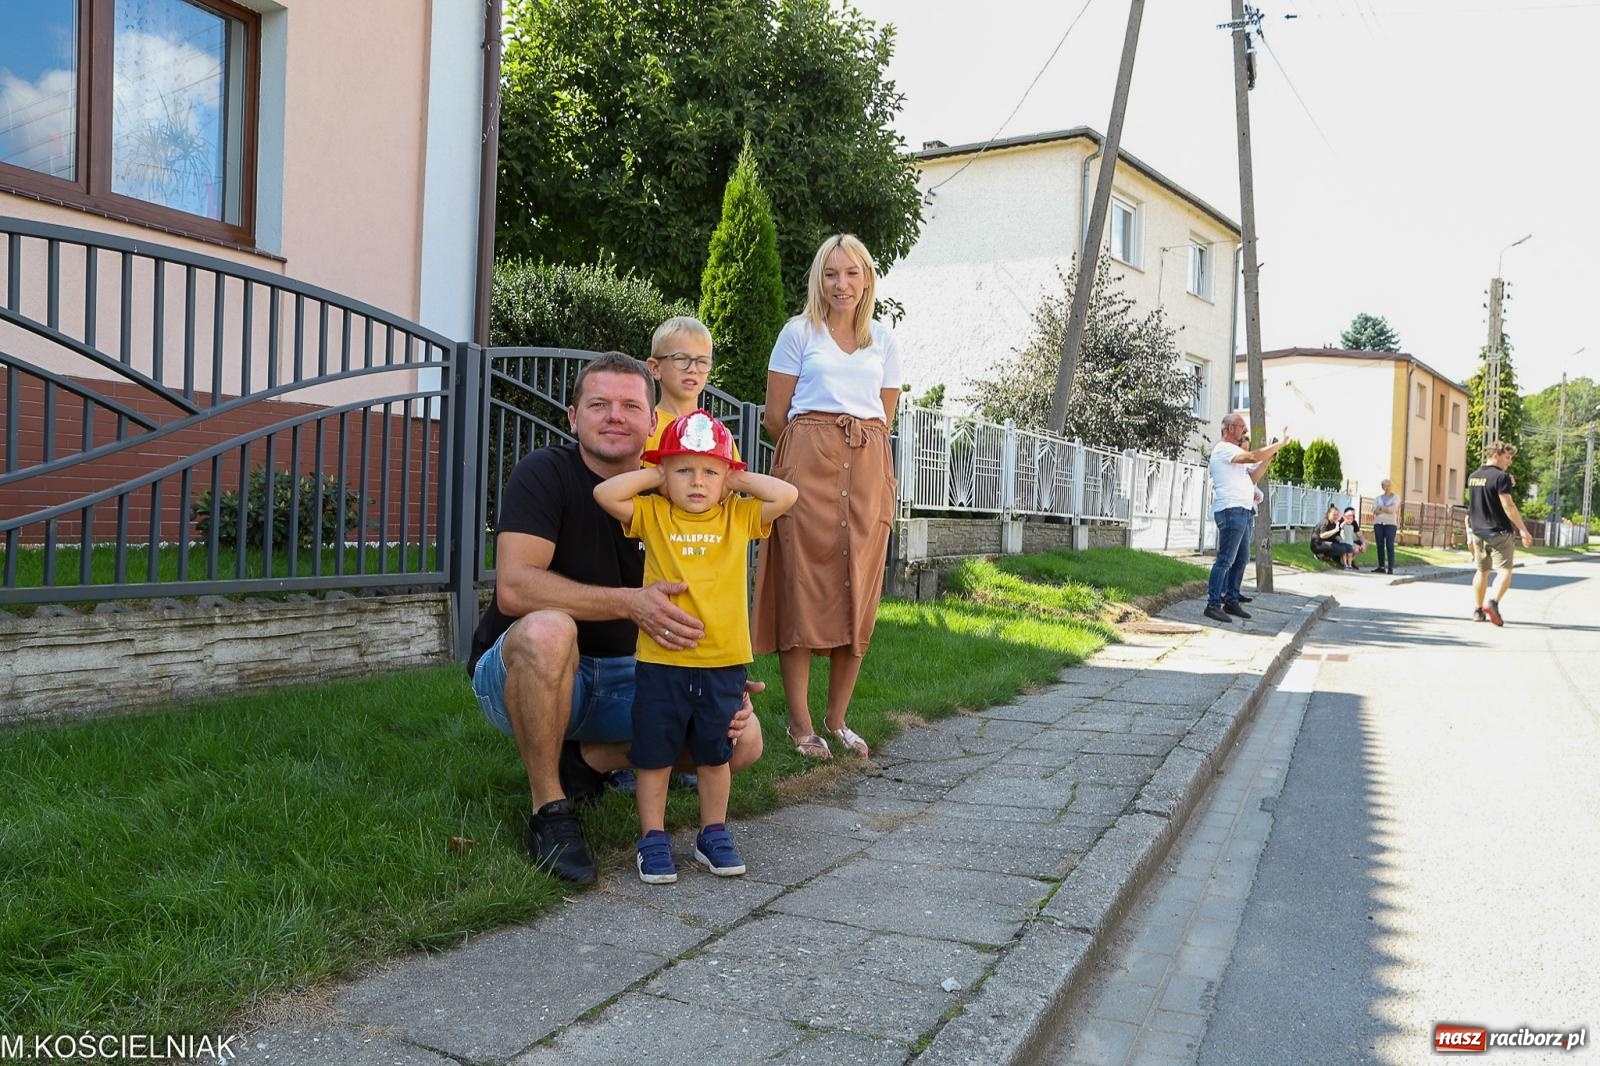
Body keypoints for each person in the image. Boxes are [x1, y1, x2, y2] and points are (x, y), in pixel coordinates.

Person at [467, 352, 765, 885]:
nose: (614, 416)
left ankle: (593, 761)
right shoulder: (544, 473)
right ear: (571, 416)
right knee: (549, 627)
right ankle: (550, 810)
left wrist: (720, 674)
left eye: (630, 405)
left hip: (639, 672)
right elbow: (514, 588)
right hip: (532, 671)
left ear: (654, 422)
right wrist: (630, 602)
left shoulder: (686, 494)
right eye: (598, 404)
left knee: (745, 740)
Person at [594, 411, 796, 884]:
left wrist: (736, 475)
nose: (698, 482)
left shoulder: (738, 516)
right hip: (661, 661)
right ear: (665, 477)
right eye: (685, 470)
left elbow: (787, 495)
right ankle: (653, 838)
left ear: (727, 479)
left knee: (715, 754)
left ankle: (713, 832)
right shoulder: (654, 513)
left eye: (710, 472)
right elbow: (606, 493)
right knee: (654, 754)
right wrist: (658, 473)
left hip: (723, 661)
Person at [752, 234, 900, 760]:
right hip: (807, 469)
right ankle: (800, 725)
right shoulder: (798, 333)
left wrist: (856, 452)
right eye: (832, 274)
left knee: (856, 588)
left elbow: (885, 413)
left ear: (866, 280)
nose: (842, 284)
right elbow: (775, 416)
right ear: (820, 279)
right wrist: (817, 447)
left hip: (866, 469)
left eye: (852, 274)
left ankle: (838, 720)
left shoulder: (883, 340)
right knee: (802, 585)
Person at [1204, 413, 1288, 625]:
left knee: (1240, 560)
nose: (1245, 431)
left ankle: (1231, 600)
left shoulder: (1235, 454)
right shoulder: (1224, 449)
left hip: (1241, 511)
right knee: (1225, 560)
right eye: (1242, 427)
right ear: (1230, 428)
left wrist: (1269, 455)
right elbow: (1252, 457)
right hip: (1231, 510)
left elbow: (1253, 477)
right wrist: (1278, 446)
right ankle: (1213, 604)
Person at [643, 316, 740, 462]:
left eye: (702, 361)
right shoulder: (645, 426)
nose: (693, 369)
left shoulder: (719, 433)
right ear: (655, 368)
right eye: (681, 359)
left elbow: (734, 483)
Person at [1466, 440, 1534, 626]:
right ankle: (1493, 602)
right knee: (1505, 571)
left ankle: (1478, 610)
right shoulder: (1501, 477)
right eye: (1507, 457)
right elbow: (1508, 506)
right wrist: (1523, 530)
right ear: (1496, 455)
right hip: (1499, 532)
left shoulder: (1473, 476)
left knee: (1482, 571)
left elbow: (1480, 499)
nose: (1509, 462)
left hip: (1478, 532)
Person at [1311, 503, 1356, 569]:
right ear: (1329, 514)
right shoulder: (1325, 522)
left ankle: (1329, 558)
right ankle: (1320, 555)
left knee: (1344, 546)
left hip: (1326, 543)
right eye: (1334, 515)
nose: (1336, 516)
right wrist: (1335, 530)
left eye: (1337, 515)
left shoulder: (1334, 524)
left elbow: (1336, 536)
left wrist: (1346, 541)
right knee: (1341, 548)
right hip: (1317, 545)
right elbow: (1322, 536)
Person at [1370, 479, 1399, 573]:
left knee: (1390, 545)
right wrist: (1386, 508)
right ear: (1382, 487)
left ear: (1391, 486)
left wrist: (1381, 508)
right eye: (1385, 486)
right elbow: (1374, 510)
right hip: (1378, 524)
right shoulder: (1378, 498)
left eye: (1388, 486)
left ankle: (1390, 567)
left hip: (1390, 524)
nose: (1387, 488)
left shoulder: (1395, 497)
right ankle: (1381, 567)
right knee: (1380, 545)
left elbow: (1393, 509)